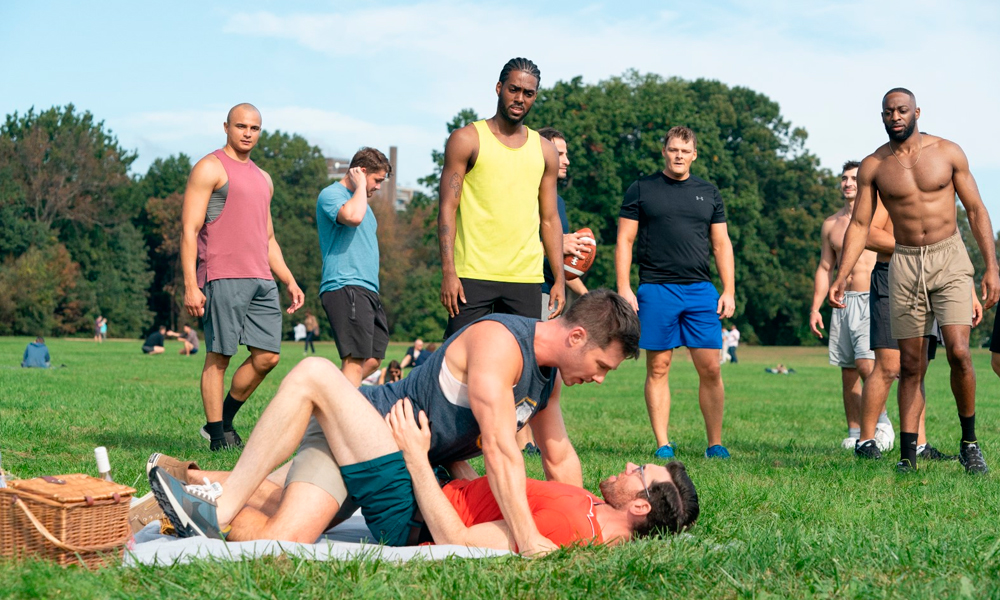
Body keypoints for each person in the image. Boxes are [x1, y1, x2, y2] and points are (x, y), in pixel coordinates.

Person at [148, 289, 639, 557]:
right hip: (363, 429)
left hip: (390, 463)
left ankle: (186, 487)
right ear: (577, 336)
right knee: (315, 372)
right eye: (601, 367)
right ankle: (219, 504)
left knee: (285, 535)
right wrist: (528, 538)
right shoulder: (499, 345)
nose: (597, 380)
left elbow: (558, 456)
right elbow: (500, 449)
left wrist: (584, 521)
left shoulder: (547, 377)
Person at [831, 88, 999, 474]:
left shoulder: (947, 152)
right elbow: (859, 225)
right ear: (882, 116)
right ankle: (908, 455)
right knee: (910, 363)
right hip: (903, 262)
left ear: (916, 112)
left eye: (902, 110)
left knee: (959, 350)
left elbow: (975, 209)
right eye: (889, 111)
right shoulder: (875, 166)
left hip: (950, 256)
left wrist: (992, 266)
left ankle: (970, 443)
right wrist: (841, 276)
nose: (896, 116)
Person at [386, 399, 699, 548]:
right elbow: (489, 501)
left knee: (338, 388)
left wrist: (416, 458)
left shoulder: (567, 527)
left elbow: (456, 538)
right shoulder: (594, 506)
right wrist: (452, 455)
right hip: (435, 483)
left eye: (640, 471)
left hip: (411, 508)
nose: (631, 466)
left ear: (640, 506)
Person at [180, 103, 304, 451]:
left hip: (262, 279)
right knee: (219, 357)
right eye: (241, 126)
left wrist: (289, 280)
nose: (247, 133)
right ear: (226, 127)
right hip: (223, 276)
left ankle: (224, 419)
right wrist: (191, 284)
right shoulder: (210, 167)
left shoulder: (264, 178)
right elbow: (189, 230)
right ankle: (218, 437)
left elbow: (267, 239)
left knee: (268, 356)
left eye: (254, 128)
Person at [615, 126, 736, 460]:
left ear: (694, 154)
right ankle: (663, 444)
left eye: (685, 150)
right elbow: (625, 240)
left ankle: (715, 443)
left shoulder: (709, 193)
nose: (679, 155)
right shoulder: (641, 189)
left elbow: (721, 243)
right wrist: (624, 287)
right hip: (656, 289)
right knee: (658, 368)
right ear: (664, 152)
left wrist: (729, 290)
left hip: (700, 291)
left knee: (711, 368)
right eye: (673, 149)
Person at [438, 57, 567, 340]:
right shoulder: (466, 139)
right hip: (471, 275)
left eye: (528, 93)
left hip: (525, 278)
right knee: (457, 369)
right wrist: (449, 271)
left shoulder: (545, 151)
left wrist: (559, 279)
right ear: (499, 88)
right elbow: (447, 207)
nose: (520, 98)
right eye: (514, 89)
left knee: (521, 371)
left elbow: (549, 218)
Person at [853, 189, 979, 462]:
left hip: (936, 278)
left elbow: (953, 247)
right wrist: (914, 248)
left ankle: (919, 444)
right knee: (889, 366)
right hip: (893, 276)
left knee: (917, 367)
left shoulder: (938, 200)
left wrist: (970, 292)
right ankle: (865, 440)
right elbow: (869, 233)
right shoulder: (891, 193)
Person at [809, 161, 887, 450]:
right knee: (848, 371)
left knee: (869, 366)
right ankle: (854, 432)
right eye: (844, 178)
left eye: (854, 178)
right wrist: (815, 308)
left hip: (872, 298)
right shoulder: (831, 224)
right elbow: (824, 267)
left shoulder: (880, 216)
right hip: (842, 303)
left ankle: (882, 424)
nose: (848, 183)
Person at [316, 147, 392, 388]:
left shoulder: (364, 206)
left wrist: (361, 188)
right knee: (355, 360)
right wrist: (360, 185)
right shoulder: (331, 194)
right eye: (376, 180)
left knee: (372, 359)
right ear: (361, 172)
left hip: (368, 289)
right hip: (345, 284)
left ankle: (324, 404)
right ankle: (344, 423)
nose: (378, 187)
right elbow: (352, 217)